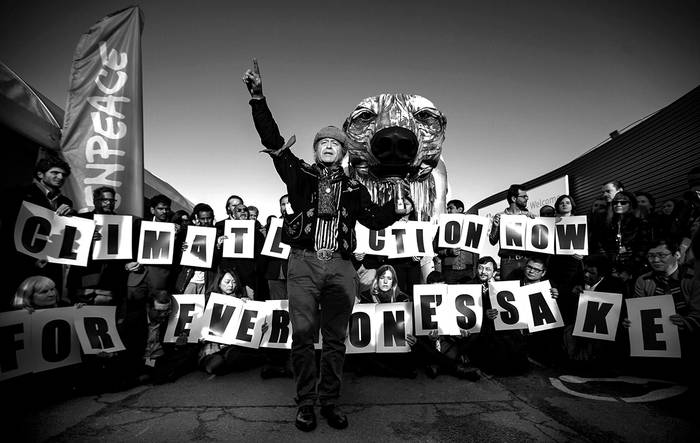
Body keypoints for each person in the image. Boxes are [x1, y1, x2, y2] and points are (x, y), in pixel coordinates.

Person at [244, 58, 407, 432]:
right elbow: (272, 140)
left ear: (343, 152)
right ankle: (305, 403)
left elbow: (373, 219)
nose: (330, 147)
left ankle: (330, 401)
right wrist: (258, 99)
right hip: (302, 264)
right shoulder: (298, 174)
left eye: (336, 144)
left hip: (340, 266)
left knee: (334, 339)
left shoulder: (353, 188)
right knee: (302, 338)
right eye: (324, 143)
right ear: (316, 150)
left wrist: (397, 210)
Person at [3, 156, 75, 307]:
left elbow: (66, 233)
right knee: (21, 309)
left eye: (63, 174)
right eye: (55, 172)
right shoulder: (19, 194)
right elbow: (9, 231)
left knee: (48, 309)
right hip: (22, 263)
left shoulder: (66, 202)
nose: (60, 177)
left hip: (52, 265)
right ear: (40, 174)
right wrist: (31, 258)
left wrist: (71, 218)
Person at [66, 186, 126, 307]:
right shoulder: (80, 219)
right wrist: (85, 238)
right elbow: (67, 246)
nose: (108, 203)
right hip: (82, 282)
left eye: (111, 200)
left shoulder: (123, 223)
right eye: (104, 200)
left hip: (109, 284)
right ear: (95, 201)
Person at [198, 267, 265, 375]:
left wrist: (248, 307)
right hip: (213, 345)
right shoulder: (209, 300)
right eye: (227, 282)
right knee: (214, 364)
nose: (230, 285)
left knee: (234, 357)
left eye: (234, 282)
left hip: (233, 346)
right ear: (219, 283)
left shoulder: (242, 300)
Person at [469, 257, 528, 375]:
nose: (483, 272)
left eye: (487, 269)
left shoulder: (501, 286)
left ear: (494, 273)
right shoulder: (468, 285)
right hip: (480, 325)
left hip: (499, 323)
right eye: (480, 268)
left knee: (514, 337)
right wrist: (484, 313)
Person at [488, 184, 535, 280]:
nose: (527, 198)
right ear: (513, 198)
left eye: (527, 196)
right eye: (523, 196)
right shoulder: (500, 216)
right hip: (507, 262)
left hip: (526, 260)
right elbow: (492, 241)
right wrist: (496, 226)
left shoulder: (528, 216)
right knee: (508, 291)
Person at [434, 199, 477, 284]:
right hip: (449, 270)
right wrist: (448, 251)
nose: (448, 211)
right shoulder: (443, 226)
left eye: (451, 208)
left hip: (468, 270)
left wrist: (475, 269)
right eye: (447, 209)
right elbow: (435, 247)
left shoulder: (472, 224)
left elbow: (476, 249)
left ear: (460, 209)